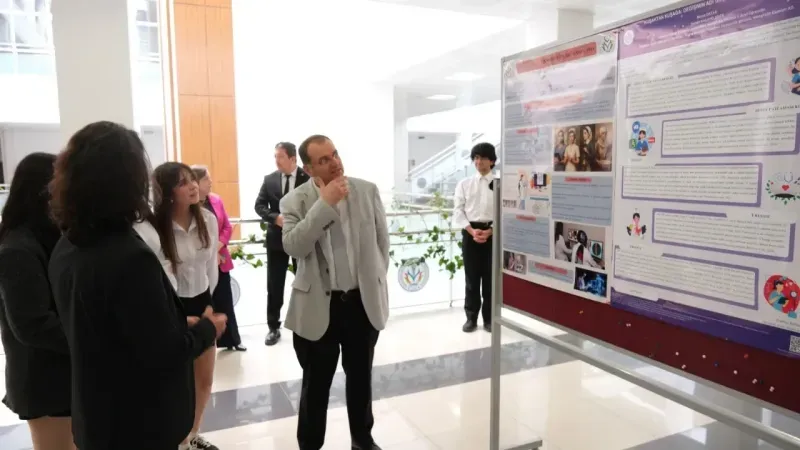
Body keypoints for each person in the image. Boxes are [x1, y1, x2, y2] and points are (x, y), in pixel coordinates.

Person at [48, 121, 226, 450]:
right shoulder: (130, 256)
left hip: (95, 415)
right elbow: (165, 354)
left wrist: (173, 323)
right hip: (138, 424)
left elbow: (114, 327)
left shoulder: (66, 247)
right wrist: (206, 329)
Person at [280, 134, 389, 450]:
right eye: (324, 160)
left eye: (335, 154)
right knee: (316, 384)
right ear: (309, 168)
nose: (335, 163)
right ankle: (310, 444)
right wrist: (324, 204)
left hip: (360, 303)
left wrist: (374, 281)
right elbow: (294, 246)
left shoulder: (366, 191)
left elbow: (382, 243)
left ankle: (362, 439)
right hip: (319, 305)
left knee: (361, 378)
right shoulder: (295, 201)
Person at [138, 162, 221, 450]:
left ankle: (192, 434)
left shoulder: (207, 219)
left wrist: (209, 303)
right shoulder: (155, 227)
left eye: (193, 180)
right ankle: (179, 438)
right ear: (166, 191)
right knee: (178, 381)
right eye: (183, 182)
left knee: (204, 379)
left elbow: (211, 267)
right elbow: (161, 274)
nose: (193, 186)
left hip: (202, 299)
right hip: (174, 305)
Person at [0, 153, 73, 450]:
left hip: (62, 374)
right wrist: (90, 340)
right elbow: (33, 324)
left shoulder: (50, 238)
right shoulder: (18, 248)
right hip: (44, 380)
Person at [254, 142, 310, 346]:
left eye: (280, 156)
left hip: (302, 239)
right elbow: (259, 206)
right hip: (276, 241)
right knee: (274, 284)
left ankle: (304, 321)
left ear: (293, 159)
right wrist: (275, 217)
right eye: (275, 156)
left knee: (305, 281)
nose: (276, 161)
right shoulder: (269, 180)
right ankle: (273, 327)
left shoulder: (308, 178)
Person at [193, 165, 245, 351]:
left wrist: (217, 248)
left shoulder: (216, 200)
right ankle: (206, 341)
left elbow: (227, 227)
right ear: (196, 183)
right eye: (206, 179)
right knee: (205, 303)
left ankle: (232, 340)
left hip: (220, 258)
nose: (210, 182)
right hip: (200, 263)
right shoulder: (189, 206)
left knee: (225, 299)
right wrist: (210, 253)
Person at [453, 142, 496, 333]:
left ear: (492, 161)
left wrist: (491, 231)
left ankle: (489, 319)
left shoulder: (499, 184)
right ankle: (471, 318)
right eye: (476, 158)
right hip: (470, 234)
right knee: (471, 279)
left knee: (490, 280)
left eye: (483, 158)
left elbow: (505, 211)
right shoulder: (464, 184)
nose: (479, 162)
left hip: (492, 234)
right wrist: (472, 231)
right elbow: (458, 211)